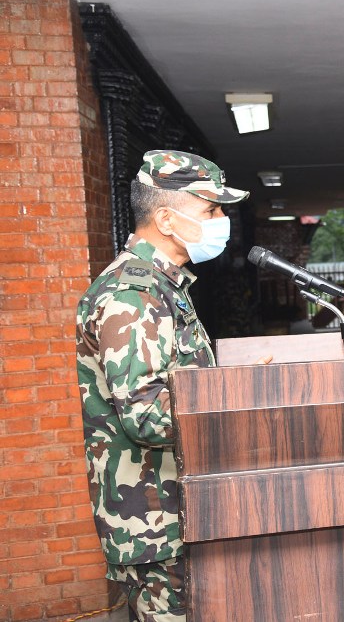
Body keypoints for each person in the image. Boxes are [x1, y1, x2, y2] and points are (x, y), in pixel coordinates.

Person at [76, 150, 250, 621]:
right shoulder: (134, 293)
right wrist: (235, 397)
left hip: (176, 508)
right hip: (156, 520)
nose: (221, 221)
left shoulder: (162, 285)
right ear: (167, 218)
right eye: (211, 210)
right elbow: (148, 416)